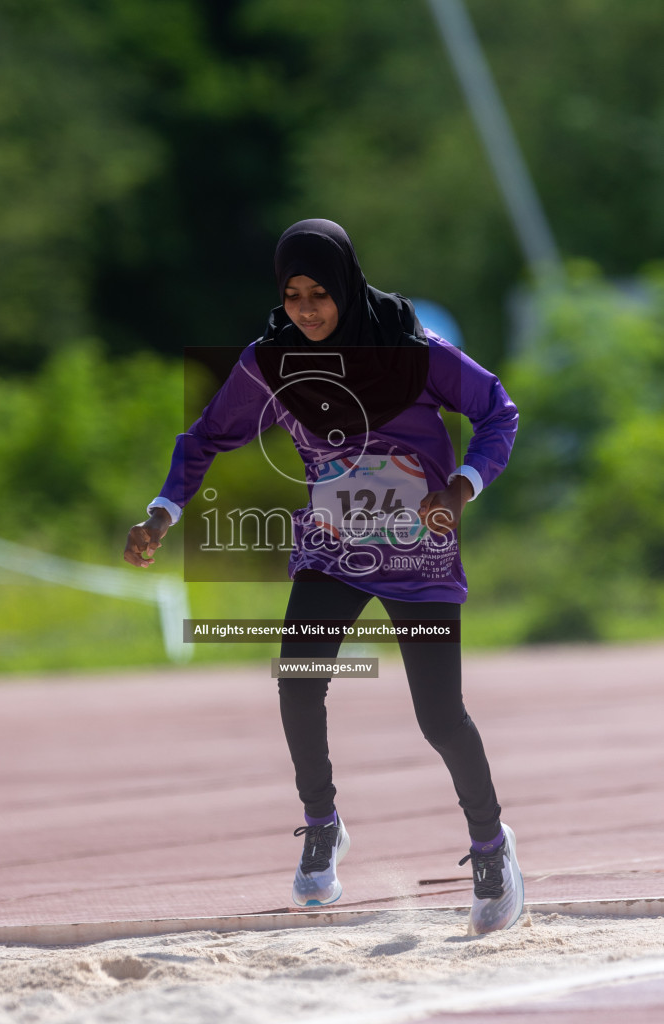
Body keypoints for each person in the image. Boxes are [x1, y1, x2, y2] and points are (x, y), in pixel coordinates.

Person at [124, 218, 523, 935]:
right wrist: (162, 513)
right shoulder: (271, 361)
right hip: (332, 550)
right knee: (298, 677)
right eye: (293, 295)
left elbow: (497, 411)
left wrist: (461, 487)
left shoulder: (414, 352)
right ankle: (321, 822)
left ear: (345, 287)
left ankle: (492, 848)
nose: (306, 310)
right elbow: (207, 434)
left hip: (418, 554)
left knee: (438, 717)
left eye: (319, 294)